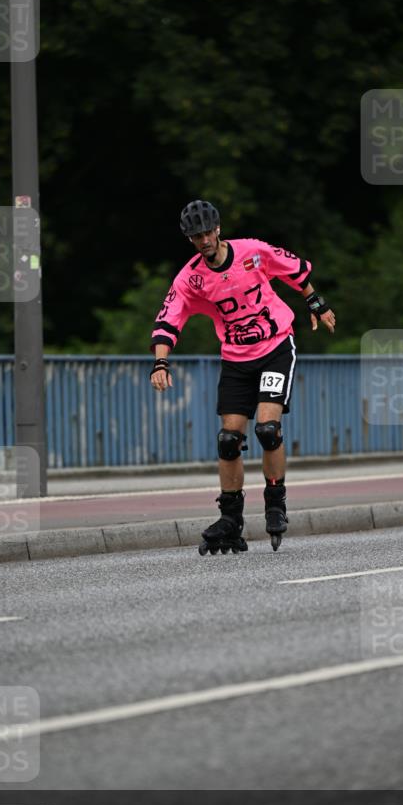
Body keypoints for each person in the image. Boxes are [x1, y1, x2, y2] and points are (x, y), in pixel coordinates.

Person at [150, 199, 336, 554]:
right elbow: (168, 319)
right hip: (236, 360)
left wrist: (317, 303)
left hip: (276, 348)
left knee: (267, 429)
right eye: (195, 236)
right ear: (189, 239)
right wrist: (161, 363)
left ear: (218, 229)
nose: (203, 240)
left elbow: (293, 269)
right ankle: (231, 519)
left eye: (207, 232)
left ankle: (275, 502)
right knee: (228, 439)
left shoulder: (252, 251)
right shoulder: (191, 278)